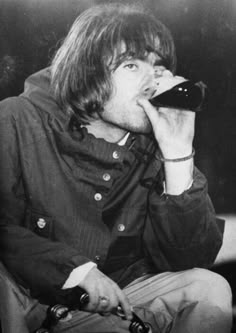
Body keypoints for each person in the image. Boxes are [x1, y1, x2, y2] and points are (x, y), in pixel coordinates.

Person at [0, 2, 233, 333]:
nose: (152, 80)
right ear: (87, 72)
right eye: (131, 65)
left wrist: (178, 154)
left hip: (117, 303)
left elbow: (189, 259)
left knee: (210, 288)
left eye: (158, 66)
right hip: (28, 307)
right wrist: (75, 270)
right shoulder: (15, 119)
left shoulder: (156, 144)